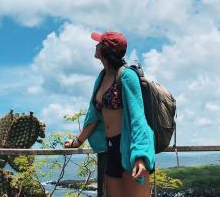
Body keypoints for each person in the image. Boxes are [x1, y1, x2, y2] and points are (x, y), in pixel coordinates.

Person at [64, 31, 155, 197]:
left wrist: (140, 156)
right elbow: (94, 115)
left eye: (99, 43)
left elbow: (138, 117)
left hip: (129, 147)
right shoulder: (102, 77)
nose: (96, 45)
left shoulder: (127, 75)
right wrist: (78, 141)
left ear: (105, 50)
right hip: (110, 147)